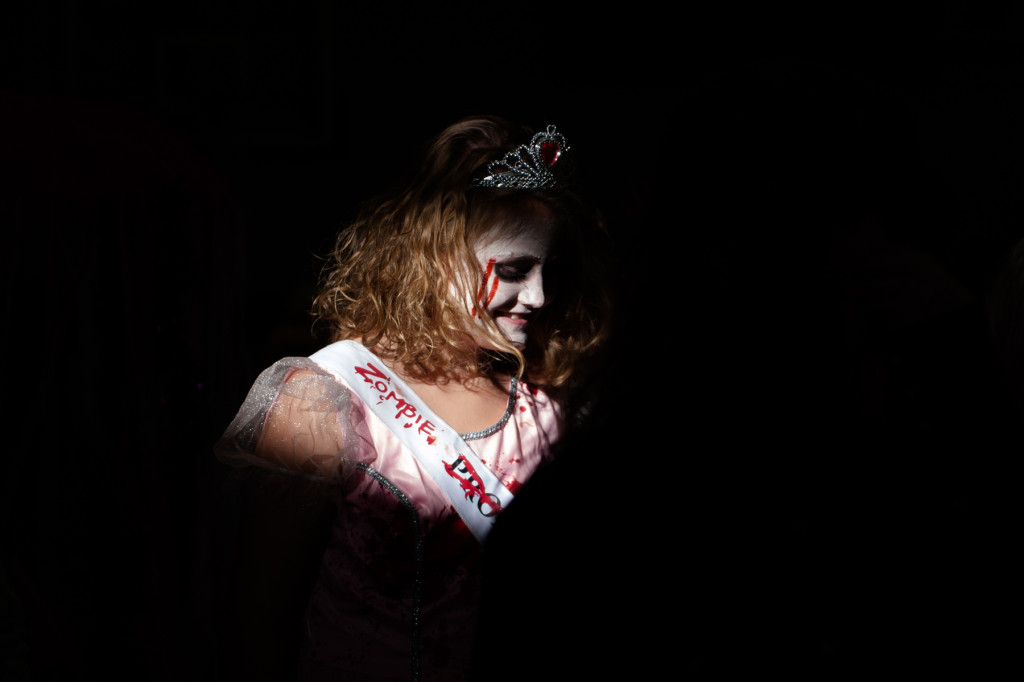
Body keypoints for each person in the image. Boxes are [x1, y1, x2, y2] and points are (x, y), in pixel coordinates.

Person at [214, 115, 610, 682]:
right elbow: (256, 625)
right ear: (437, 255)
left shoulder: (548, 414)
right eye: (517, 269)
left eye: (550, 271)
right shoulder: (326, 398)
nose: (540, 297)